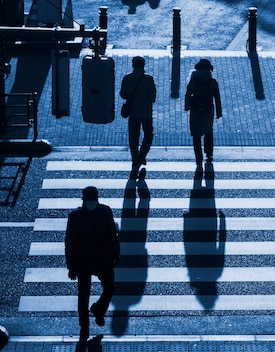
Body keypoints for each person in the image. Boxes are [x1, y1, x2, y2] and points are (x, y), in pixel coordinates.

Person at [65, 186, 120, 341]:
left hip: (102, 258)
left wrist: (116, 252)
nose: (91, 203)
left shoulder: (104, 211)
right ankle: (84, 325)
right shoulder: (75, 217)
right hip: (85, 260)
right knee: (84, 295)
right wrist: (71, 266)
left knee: (109, 288)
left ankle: (98, 309)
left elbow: (112, 234)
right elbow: (70, 243)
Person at [120, 56, 157, 169]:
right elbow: (153, 97)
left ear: (133, 65)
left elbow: (123, 94)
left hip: (133, 112)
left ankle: (135, 157)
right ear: (143, 65)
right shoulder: (149, 79)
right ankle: (143, 154)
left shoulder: (127, 78)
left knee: (133, 136)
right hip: (146, 112)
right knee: (148, 134)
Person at [184, 58, 222, 166]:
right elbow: (217, 97)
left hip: (195, 110)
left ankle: (198, 156)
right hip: (208, 110)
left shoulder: (194, 80)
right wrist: (219, 111)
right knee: (208, 132)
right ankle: (209, 153)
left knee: (196, 134)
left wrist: (187, 106)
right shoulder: (213, 82)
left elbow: (188, 94)